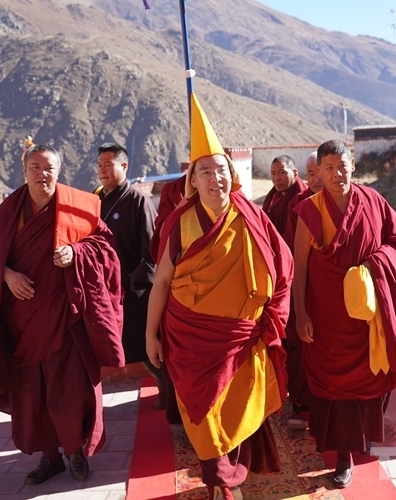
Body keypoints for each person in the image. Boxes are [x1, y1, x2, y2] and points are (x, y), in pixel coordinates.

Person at [145, 93, 293, 500]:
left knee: (236, 408)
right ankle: (221, 482)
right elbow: (162, 282)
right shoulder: (181, 224)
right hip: (190, 338)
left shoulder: (251, 217)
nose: (215, 179)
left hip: (241, 336)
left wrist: (271, 317)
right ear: (192, 181)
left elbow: (283, 268)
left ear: (233, 174)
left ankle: (226, 480)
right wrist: (150, 334)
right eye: (205, 171)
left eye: (221, 169)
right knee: (203, 415)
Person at [0, 144, 125, 485]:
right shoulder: (10, 210)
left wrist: (76, 252)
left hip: (65, 318)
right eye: (35, 167)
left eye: (49, 168)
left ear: (59, 171)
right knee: (32, 393)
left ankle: (75, 452)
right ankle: (50, 457)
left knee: (69, 388)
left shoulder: (79, 205)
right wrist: (7, 276)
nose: (42, 174)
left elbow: (105, 248)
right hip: (23, 320)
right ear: (24, 171)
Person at [293, 139, 396, 488]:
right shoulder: (309, 211)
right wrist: (301, 314)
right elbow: (300, 266)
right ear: (318, 172)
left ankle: (362, 439)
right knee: (334, 388)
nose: (337, 174)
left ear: (353, 165)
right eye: (328, 168)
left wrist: (375, 265)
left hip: (366, 317)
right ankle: (344, 456)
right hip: (327, 318)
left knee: (370, 378)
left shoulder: (373, 201)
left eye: (342, 166)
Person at [94, 143, 163, 405]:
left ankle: (172, 394)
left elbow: (153, 249)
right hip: (108, 291)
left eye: (108, 164)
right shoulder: (97, 201)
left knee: (146, 345)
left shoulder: (137, 201)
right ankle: (166, 391)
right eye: (99, 165)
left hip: (135, 291)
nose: (102, 169)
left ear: (124, 166)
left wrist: (135, 281)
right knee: (130, 346)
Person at [283, 151, 323, 431]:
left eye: (320, 172)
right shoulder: (298, 204)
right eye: (311, 174)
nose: (317, 179)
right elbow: (292, 251)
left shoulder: (349, 201)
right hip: (304, 285)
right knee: (300, 348)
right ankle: (301, 403)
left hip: (339, 291)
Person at [262, 155, 308, 235]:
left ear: (295, 173)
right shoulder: (274, 195)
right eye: (273, 173)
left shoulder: (303, 197)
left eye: (282, 172)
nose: (277, 178)